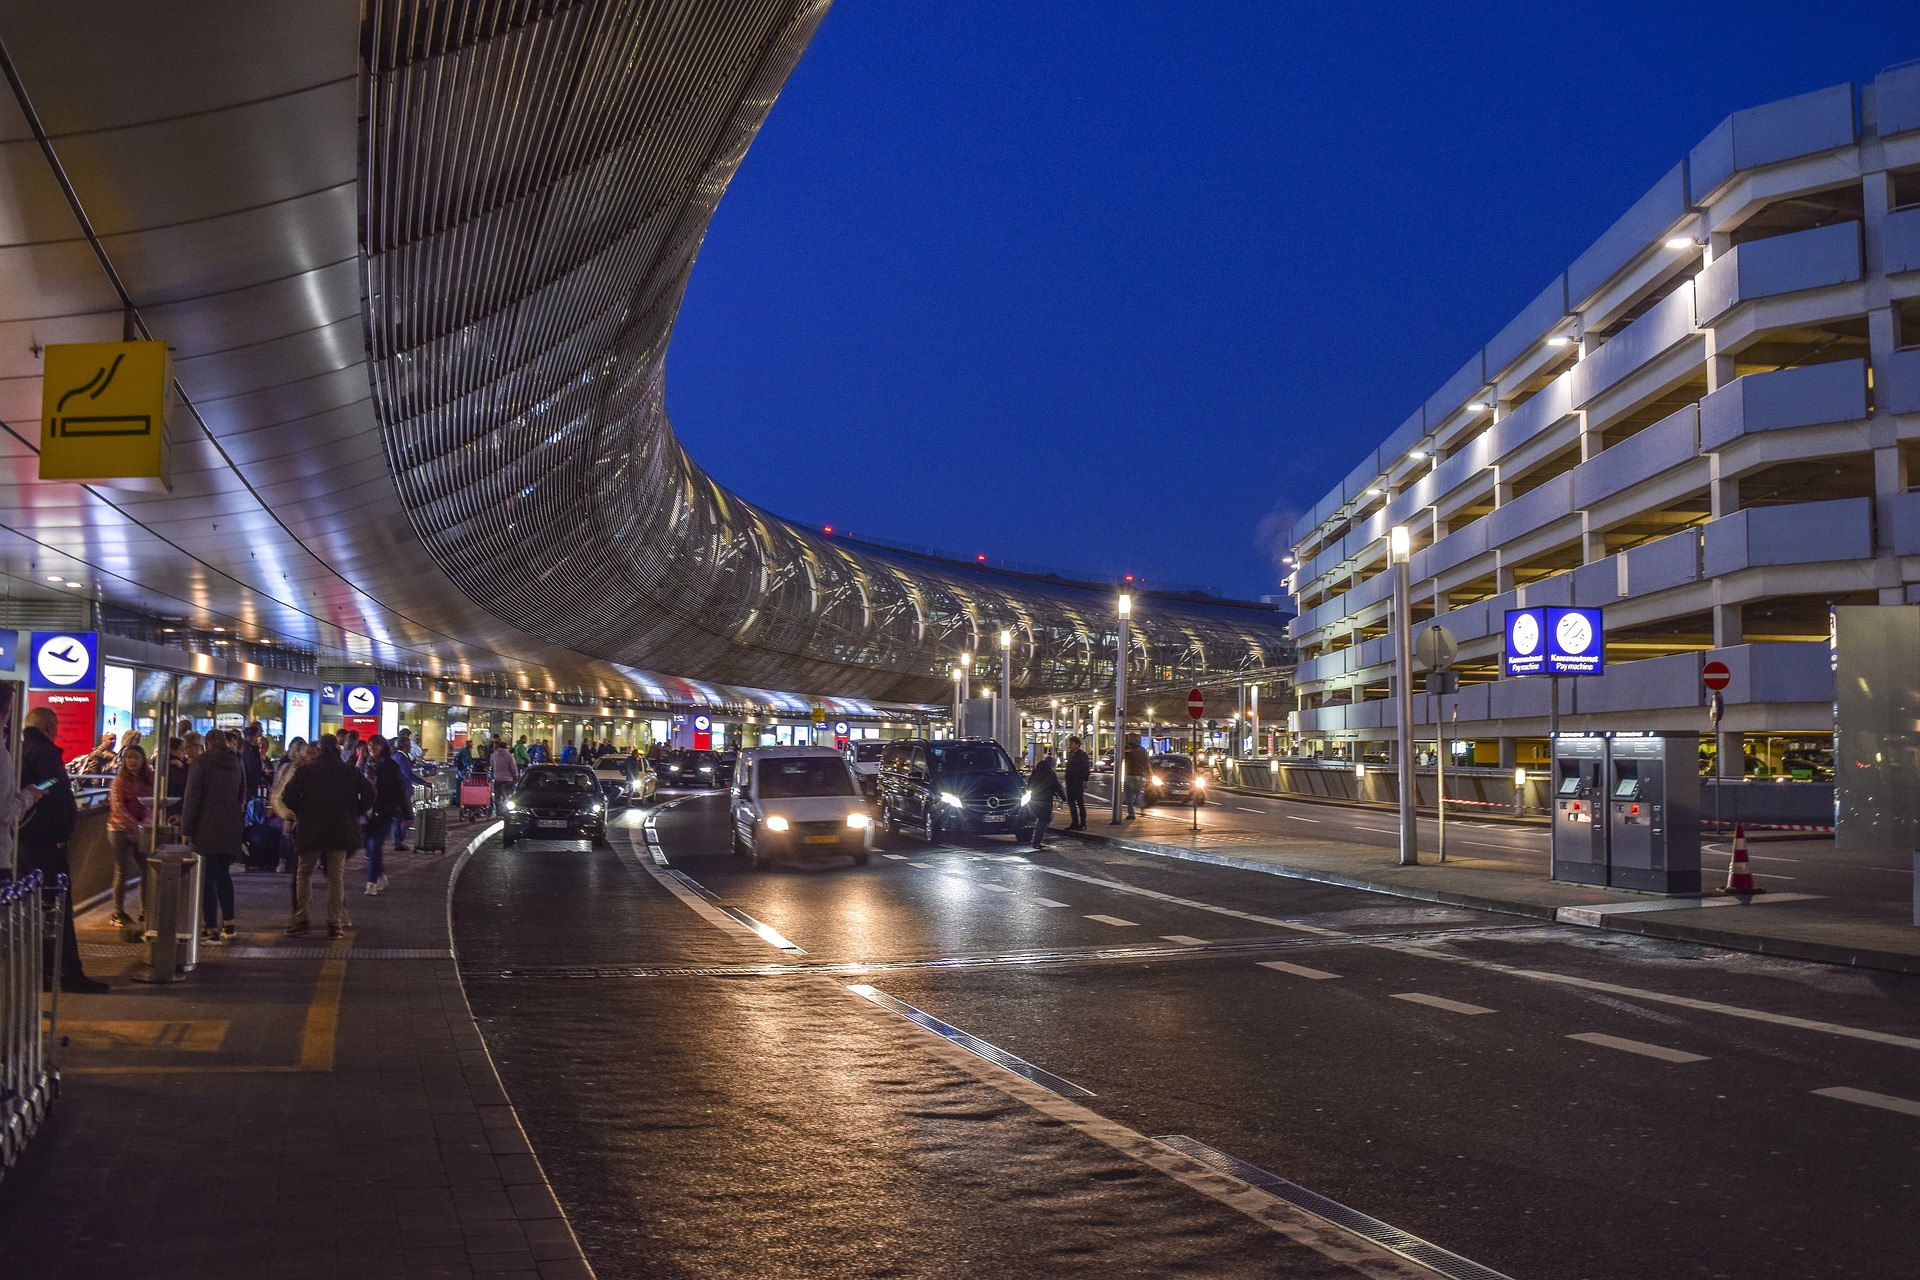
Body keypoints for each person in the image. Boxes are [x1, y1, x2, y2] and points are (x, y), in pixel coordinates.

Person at [19, 706, 107, 992]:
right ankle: (68, 972)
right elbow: (53, 783)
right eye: (54, 728)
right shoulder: (43, 751)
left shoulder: (21, 748)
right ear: (47, 727)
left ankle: (45, 970)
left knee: (40, 908)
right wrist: (58, 828)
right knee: (56, 907)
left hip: (27, 840)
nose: (56, 733)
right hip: (44, 841)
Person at [280, 735, 373, 939]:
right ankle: (334, 923)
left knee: (304, 873)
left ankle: (301, 919)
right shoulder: (350, 771)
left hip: (310, 829)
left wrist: (301, 811)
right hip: (339, 830)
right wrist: (355, 811)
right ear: (338, 749)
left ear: (320, 749)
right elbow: (369, 794)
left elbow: (288, 796)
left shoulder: (306, 771)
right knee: (335, 877)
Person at [182, 723, 248, 944]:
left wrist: (187, 829)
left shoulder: (201, 763)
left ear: (207, 744)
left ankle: (210, 928)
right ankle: (229, 925)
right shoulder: (236, 762)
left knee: (207, 879)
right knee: (223, 876)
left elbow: (192, 798)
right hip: (230, 827)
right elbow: (243, 793)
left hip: (206, 827)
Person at [107, 744, 155, 927]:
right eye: (129, 758)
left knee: (147, 869)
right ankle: (118, 912)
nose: (133, 761)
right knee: (122, 870)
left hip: (141, 829)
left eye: (136, 757)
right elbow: (117, 806)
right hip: (118, 829)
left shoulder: (148, 780)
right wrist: (133, 826)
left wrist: (144, 825)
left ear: (143, 760)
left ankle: (145, 911)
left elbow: (152, 803)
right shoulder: (119, 781)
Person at [362, 735, 405, 895]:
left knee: (375, 843)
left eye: (376, 745)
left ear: (383, 747)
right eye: (370, 744)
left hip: (385, 811)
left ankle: (371, 882)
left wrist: (406, 813)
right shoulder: (364, 765)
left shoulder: (390, 766)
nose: (372, 748)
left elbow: (399, 790)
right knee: (368, 846)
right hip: (367, 812)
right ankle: (380, 875)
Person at [270, 737, 308, 872]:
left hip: (288, 803)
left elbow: (276, 785)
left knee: (288, 834)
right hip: (289, 804)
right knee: (288, 834)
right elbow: (278, 785)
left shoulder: (288, 767)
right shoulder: (289, 767)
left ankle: (285, 862)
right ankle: (286, 861)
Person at [1028, 752, 1067, 848]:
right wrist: (1063, 798)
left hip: (1035, 799)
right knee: (1043, 819)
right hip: (1045, 800)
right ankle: (1037, 841)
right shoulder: (1050, 774)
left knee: (1040, 818)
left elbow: (1029, 784)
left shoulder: (1036, 771)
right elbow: (1056, 787)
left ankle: (1036, 835)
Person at [389, 731, 419, 852]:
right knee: (405, 817)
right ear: (405, 746)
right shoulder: (401, 757)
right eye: (409, 745)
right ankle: (398, 841)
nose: (411, 747)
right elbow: (408, 774)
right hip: (402, 791)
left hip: (400, 790)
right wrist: (422, 782)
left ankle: (398, 841)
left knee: (400, 817)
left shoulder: (398, 756)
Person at [1063, 736, 1091, 831]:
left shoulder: (1082, 755)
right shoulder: (1071, 754)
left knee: (1079, 802)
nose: (1070, 746)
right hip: (1070, 782)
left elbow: (1085, 769)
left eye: (1071, 744)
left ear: (1077, 745)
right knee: (1071, 803)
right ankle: (1074, 822)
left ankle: (1083, 823)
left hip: (1078, 781)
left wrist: (1085, 780)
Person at [1123, 735, 1151, 820]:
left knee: (1129, 795)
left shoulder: (1128, 749)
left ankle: (1131, 814)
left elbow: (1123, 756)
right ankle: (1142, 806)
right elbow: (1146, 763)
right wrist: (1149, 773)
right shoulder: (1142, 750)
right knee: (1139, 792)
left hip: (1130, 774)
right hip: (1140, 775)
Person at [490, 736, 519, 812]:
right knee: (508, 795)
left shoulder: (494, 755)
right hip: (508, 779)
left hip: (497, 778)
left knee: (497, 796)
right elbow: (513, 768)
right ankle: (507, 810)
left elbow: (492, 765)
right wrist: (516, 775)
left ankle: (498, 811)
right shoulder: (509, 756)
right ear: (506, 747)